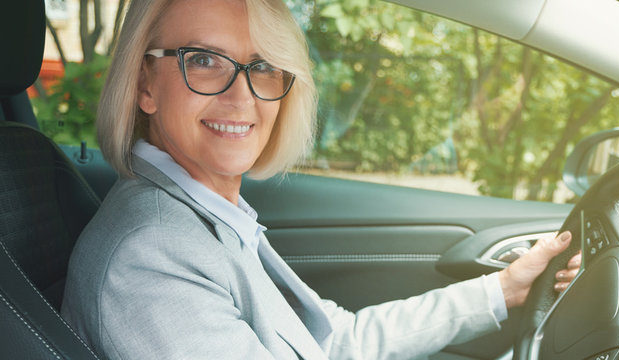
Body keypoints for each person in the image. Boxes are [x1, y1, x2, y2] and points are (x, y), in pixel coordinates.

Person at [61, 0, 581, 358]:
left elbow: (329, 341)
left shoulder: (204, 218)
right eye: (203, 60)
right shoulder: (154, 252)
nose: (240, 96)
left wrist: (505, 289)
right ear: (145, 84)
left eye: (262, 66)